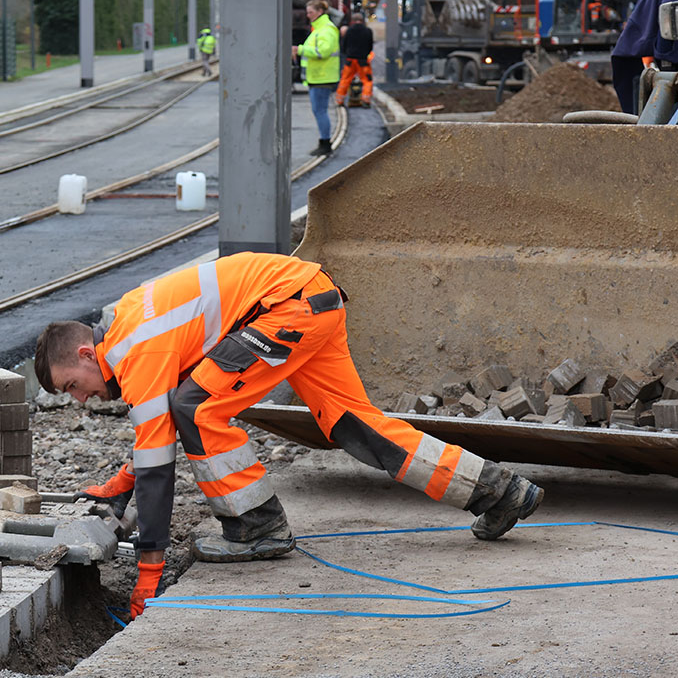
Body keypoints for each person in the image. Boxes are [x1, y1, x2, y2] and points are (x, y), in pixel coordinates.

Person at [34, 252, 545, 619]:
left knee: (197, 406)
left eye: (73, 388)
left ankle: (258, 529)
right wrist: (121, 483)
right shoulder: (127, 326)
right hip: (310, 298)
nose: (81, 399)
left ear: (84, 355)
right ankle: (498, 491)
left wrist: (148, 573)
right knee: (354, 426)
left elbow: (157, 464)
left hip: (288, 308)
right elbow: (151, 439)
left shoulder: (134, 350)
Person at [293, 0, 340, 156]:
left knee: (320, 111)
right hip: (318, 77)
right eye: (307, 12)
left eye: (310, 12)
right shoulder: (320, 29)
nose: (307, 15)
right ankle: (324, 142)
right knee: (319, 110)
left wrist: (300, 50)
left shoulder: (325, 30)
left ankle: (325, 144)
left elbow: (322, 52)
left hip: (322, 77)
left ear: (320, 12)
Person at [335, 12, 375, 107]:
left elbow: (343, 45)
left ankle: (340, 100)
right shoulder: (367, 31)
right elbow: (370, 46)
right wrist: (366, 53)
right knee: (367, 80)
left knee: (345, 79)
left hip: (350, 60)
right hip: (363, 61)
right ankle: (365, 100)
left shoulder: (349, 31)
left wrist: (346, 53)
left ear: (352, 21)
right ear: (362, 20)